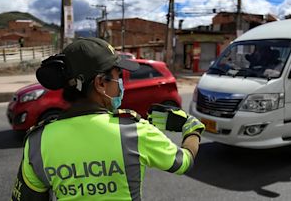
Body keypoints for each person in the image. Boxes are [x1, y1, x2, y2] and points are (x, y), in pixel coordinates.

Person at [11, 37, 205, 201]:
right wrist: (192, 128)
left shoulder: (37, 142)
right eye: (117, 76)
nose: (121, 85)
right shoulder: (134, 131)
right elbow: (184, 162)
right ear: (101, 83)